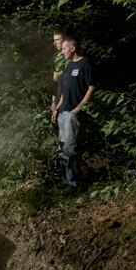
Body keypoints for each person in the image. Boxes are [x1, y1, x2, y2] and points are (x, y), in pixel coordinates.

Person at [51, 37, 95, 189]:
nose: (62, 51)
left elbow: (91, 86)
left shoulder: (85, 63)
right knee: (62, 149)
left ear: (73, 48)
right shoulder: (68, 67)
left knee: (70, 147)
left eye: (64, 48)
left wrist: (80, 107)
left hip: (72, 112)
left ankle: (74, 183)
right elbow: (63, 92)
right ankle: (66, 181)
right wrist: (57, 108)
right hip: (63, 112)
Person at [50, 29, 66, 97]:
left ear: (65, 40)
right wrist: (53, 100)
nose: (54, 43)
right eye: (54, 40)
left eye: (57, 40)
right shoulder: (55, 56)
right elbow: (55, 79)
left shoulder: (73, 55)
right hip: (59, 95)